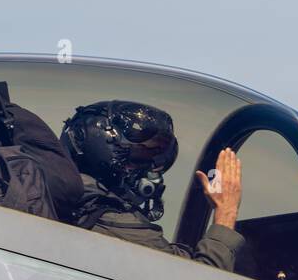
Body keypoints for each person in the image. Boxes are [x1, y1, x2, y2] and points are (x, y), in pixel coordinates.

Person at [60, 100, 244, 271]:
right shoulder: (106, 217)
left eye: (155, 160)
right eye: (139, 158)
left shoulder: (67, 196)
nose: (149, 172)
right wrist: (225, 214)